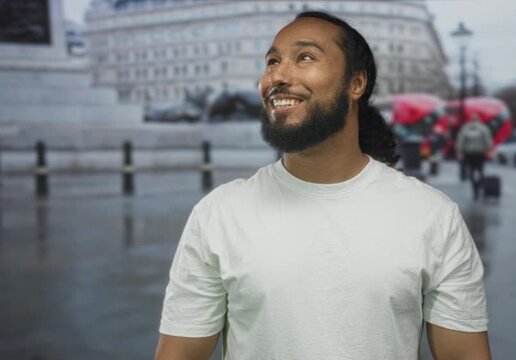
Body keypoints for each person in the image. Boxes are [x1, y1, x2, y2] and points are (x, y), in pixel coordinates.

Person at [154, 11, 490, 360]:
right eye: (272, 61)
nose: (277, 76)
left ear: (355, 84)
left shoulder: (432, 215)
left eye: (305, 57)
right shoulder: (218, 213)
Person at [456, 114, 493, 200]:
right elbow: (487, 140)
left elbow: (460, 140)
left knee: (472, 170)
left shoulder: (465, 128)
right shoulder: (483, 128)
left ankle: (474, 189)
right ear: (478, 120)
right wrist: (489, 149)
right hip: (480, 153)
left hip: (469, 153)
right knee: (480, 169)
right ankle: (480, 184)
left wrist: (460, 151)